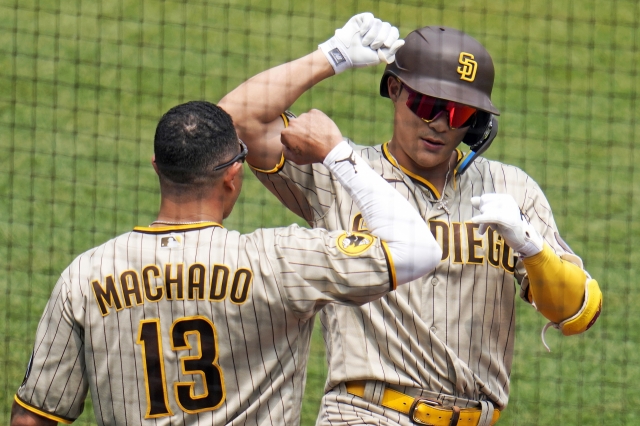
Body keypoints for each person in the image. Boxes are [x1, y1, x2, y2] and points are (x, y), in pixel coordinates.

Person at [218, 13, 603, 426]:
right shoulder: (337, 173)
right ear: (396, 90)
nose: (439, 123)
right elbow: (232, 122)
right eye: (427, 104)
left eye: (458, 113)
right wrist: (332, 56)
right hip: (364, 413)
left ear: (477, 123)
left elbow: (578, 313)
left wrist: (531, 248)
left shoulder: (511, 189)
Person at [10, 101, 443, 426]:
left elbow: (35, 416)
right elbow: (415, 249)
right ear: (233, 177)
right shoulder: (281, 261)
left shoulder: (84, 277)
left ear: (157, 167)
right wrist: (338, 154)